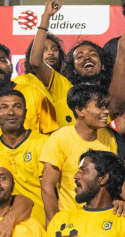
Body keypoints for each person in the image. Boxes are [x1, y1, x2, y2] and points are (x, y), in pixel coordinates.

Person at [40, 85, 119, 222]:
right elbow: (47, 186)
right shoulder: (60, 138)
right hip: (71, 222)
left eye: (106, 106)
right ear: (80, 110)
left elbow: (114, 180)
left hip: (102, 220)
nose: (106, 111)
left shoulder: (108, 137)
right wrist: (55, 225)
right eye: (100, 106)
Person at [25, 0, 107, 126]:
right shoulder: (62, 87)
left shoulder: (110, 95)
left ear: (102, 65)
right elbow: (36, 62)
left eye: (93, 54)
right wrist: (45, 17)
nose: (86, 57)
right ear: (73, 68)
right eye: (79, 56)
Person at [0, 88, 49, 226]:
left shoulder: (44, 142)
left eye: (17, 107)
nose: (11, 112)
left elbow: (50, 190)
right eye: (4, 107)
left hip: (39, 224)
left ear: (26, 112)